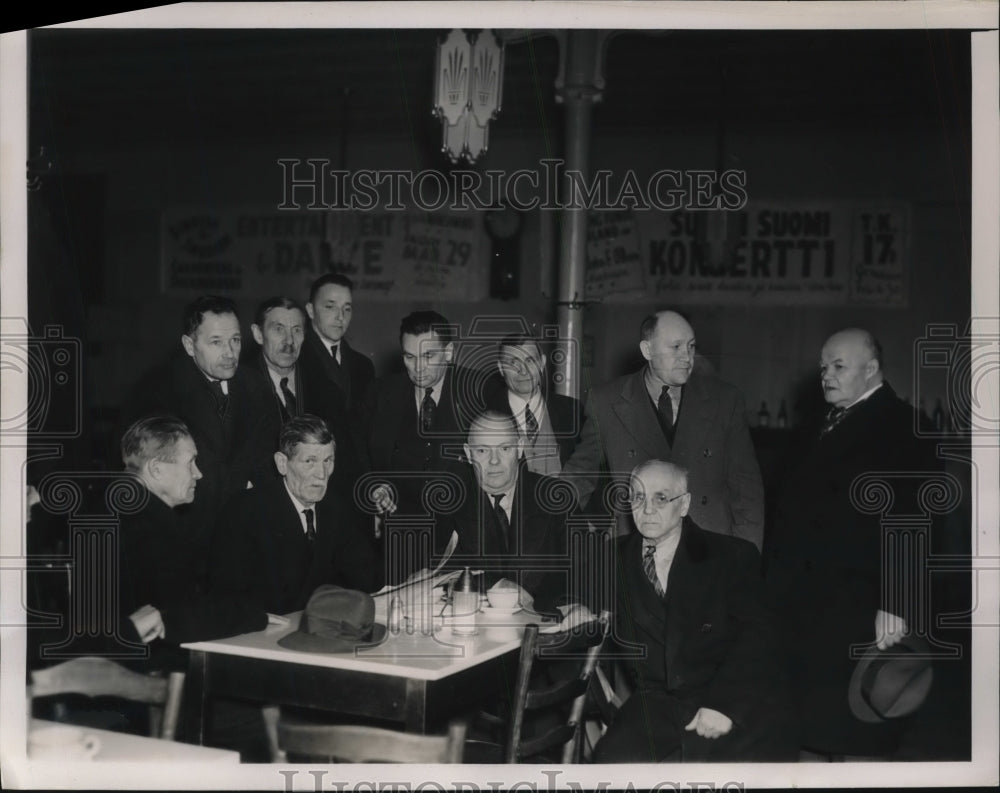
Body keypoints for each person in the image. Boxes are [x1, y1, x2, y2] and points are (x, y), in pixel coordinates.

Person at [764, 328, 934, 757]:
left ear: (872, 369)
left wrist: (897, 601)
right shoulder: (816, 427)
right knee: (810, 726)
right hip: (806, 605)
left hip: (861, 604)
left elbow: (913, 518)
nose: (827, 375)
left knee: (857, 731)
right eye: (823, 367)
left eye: (839, 366)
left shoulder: (904, 425)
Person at [593, 459, 796, 763]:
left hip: (729, 696)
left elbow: (760, 639)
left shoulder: (732, 556)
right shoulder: (611, 557)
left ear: (684, 504)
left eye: (661, 498)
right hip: (657, 704)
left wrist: (724, 705)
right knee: (608, 764)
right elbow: (568, 601)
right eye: (638, 497)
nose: (647, 509)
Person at [561, 310, 764, 549]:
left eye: (691, 346)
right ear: (647, 350)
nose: (687, 357)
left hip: (708, 550)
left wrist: (745, 556)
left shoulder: (725, 401)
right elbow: (579, 477)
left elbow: (747, 490)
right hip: (633, 550)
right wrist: (577, 534)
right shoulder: (606, 402)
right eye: (675, 347)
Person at [117, 416, 268, 670]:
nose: (198, 473)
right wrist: (252, 615)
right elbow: (178, 619)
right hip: (147, 675)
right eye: (190, 463)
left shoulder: (121, 510)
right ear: (156, 469)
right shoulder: (146, 528)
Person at [119, 295, 274, 536]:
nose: (230, 353)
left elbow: (265, 459)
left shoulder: (256, 386)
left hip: (242, 531)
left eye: (235, 340)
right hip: (182, 532)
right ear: (189, 345)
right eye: (216, 342)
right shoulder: (159, 390)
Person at [211, 414, 383, 615]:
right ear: (282, 463)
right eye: (310, 461)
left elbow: (366, 575)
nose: (321, 473)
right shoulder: (245, 512)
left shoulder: (335, 509)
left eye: (328, 460)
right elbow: (228, 596)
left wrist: (412, 579)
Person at [432, 411, 577, 615]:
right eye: (482, 450)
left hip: (546, 623)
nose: (494, 461)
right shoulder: (451, 504)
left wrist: (548, 605)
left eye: (505, 448)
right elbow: (439, 573)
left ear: (519, 449)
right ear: (468, 453)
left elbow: (582, 569)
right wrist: (496, 583)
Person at [367, 310, 492, 519]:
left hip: (464, 529)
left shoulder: (481, 391)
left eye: (428, 356)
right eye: (410, 357)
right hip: (399, 526)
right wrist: (375, 484)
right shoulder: (381, 393)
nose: (418, 368)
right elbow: (359, 449)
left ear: (449, 352)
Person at [298, 273, 375, 503]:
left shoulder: (363, 365)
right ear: (310, 310)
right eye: (330, 307)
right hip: (312, 483)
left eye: (347, 309)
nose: (340, 317)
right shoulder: (295, 360)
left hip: (356, 488)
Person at [484, 333, 585, 476]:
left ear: (542, 363)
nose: (523, 371)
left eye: (530, 361)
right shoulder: (483, 414)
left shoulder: (573, 410)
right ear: (501, 368)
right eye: (513, 363)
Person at [248, 296, 307, 429]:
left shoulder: (322, 386)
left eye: (297, 330)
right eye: (279, 329)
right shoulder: (240, 389)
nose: (290, 341)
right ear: (258, 334)